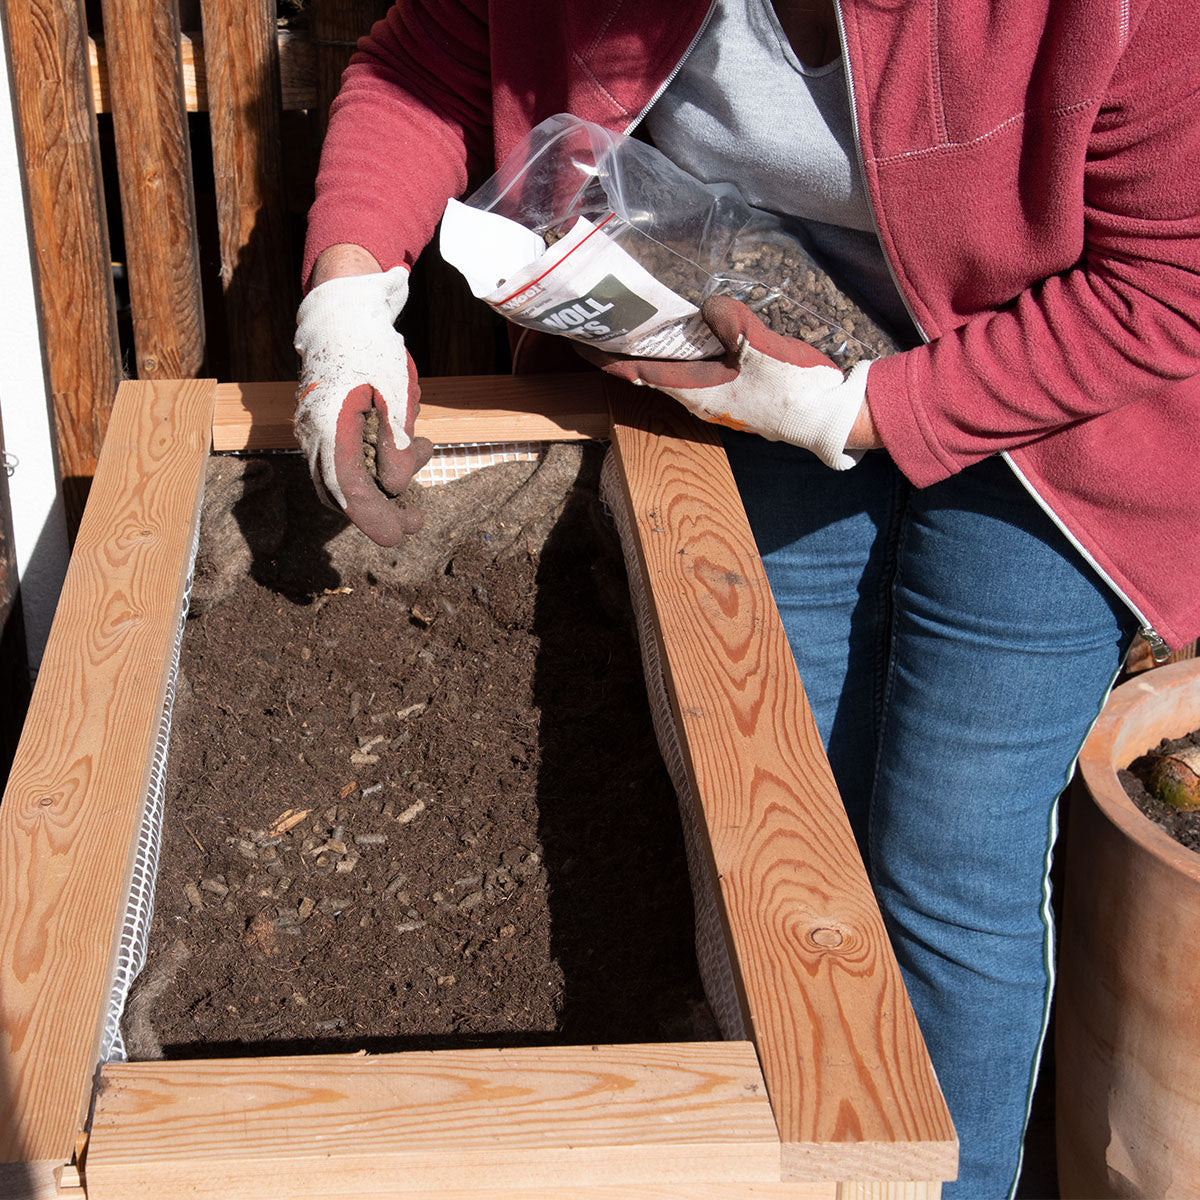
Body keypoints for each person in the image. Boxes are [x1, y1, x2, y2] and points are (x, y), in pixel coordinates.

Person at [292, 2, 1200, 1195]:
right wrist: (346, 303)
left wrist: (865, 411)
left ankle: (948, 1180)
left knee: (949, 861)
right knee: (786, 831)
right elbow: (421, 65)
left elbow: (1170, 280)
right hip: (749, 374)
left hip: (1048, 427)